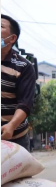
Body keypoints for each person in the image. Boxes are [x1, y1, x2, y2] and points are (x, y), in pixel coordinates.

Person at [1, 14, 36, 151]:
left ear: (12, 38)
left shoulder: (24, 67)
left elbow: (25, 103)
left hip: (15, 138)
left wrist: (12, 125)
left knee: (18, 173)